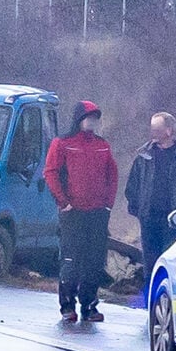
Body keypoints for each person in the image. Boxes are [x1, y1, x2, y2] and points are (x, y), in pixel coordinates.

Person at [44, 101, 118, 323]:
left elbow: (112, 175)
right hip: (72, 212)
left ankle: (89, 305)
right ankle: (67, 306)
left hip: (97, 212)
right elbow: (50, 172)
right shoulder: (63, 143)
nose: (92, 122)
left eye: (95, 118)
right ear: (79, 119)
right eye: (89, 117)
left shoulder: (102, 145)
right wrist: (63, 201)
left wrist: (108, 204)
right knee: (70, 260)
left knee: (94, 261)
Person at [125, 112, 176, 288]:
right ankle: (151, 307)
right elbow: (132, 186)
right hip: (149, 220)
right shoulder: (143, 157)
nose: (153, 132)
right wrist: (139, 211)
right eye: (152, 128)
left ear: (168, 131)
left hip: (175, 224)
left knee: (172, 265)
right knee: (150, 267)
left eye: (157, 128)